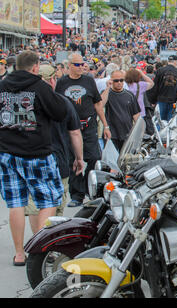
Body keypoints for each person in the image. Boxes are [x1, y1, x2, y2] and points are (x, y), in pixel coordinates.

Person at [0, 51, 67, 266]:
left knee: (16, 203)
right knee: (50, 199)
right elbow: (59, 112)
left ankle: (20, 254)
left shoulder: (2, 85)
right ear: (36, 67)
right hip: (36, 152)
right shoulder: (39, 87)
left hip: (7, 152)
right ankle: (41, 249)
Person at [25, 64, 84, 234]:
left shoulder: (26, 103)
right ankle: (47, 245)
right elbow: (74, 133)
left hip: (32, 158)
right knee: (55, 205)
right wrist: (79, 158)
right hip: (58, 158)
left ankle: (37, 243)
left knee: (36, 204)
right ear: (52, 80)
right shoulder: (62, 102)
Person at [56, 53, 111, 208]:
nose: (81, 67)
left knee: (94, 157)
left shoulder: (88, 80)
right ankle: (77, 195)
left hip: (88, 126)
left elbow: (98, 104)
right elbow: (57, 105)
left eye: (82, 64)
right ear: (69, 66)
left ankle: (88, 188)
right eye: (77, 65)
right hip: (69, 128)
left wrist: (105, 126)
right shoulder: (62, 82)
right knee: (73, 161)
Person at [100, 70, 141, 151]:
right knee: (111, 161)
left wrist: (138, 132)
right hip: (111, 134)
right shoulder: (106, 93)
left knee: (126, 160)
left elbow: (136, 115)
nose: (119, 82)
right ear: (111, 80)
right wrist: (108, 87)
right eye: (116, 81)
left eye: (121, 80)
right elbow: (100, 105)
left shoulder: (129, 95)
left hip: (127, 133)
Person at [146, 55, 177, 122]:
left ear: (168, 61)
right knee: (170, 121)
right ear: (175, 62)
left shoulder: (160, 70)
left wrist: (152, 100)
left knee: (160, 121)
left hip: (162, 99)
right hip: (173, 100)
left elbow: (155, 86)